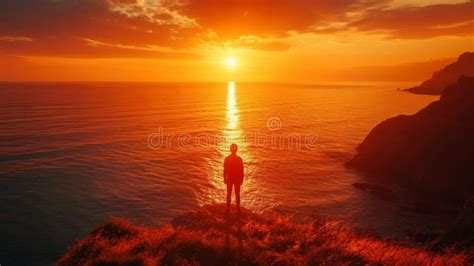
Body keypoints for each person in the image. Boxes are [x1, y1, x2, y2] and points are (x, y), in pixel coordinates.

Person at [224, 143, 244, 212]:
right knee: (237, 194)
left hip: (229, 178)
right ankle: (238, 208)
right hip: (237, 179)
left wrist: (224, 178)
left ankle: (228, 208)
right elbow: (242, 170)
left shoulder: (227, 159)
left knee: (229, 194)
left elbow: (224, 170)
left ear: (230, 149)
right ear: (236, 150)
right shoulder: (239, 159)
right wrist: (242, 179)